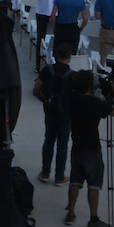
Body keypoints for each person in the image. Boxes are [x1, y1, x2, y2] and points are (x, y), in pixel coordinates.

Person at [63, 70, 114, 227]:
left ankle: (71, 213)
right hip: (92, 149)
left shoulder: (72, 99)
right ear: (90, 86)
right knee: (93, 184)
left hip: (77, 147)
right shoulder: (94, 103)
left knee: (75, 180)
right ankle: (93, 219)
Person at [37, 41, 73, 186]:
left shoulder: (47, 70)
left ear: (56, 55)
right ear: (69, 57)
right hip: (65, 114)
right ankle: (59, 176)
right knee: (63, 145)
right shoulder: (72, 75)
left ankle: (45, 173)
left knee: (48, 141)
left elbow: (36, 88)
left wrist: (44, 100)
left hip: (50, 110)